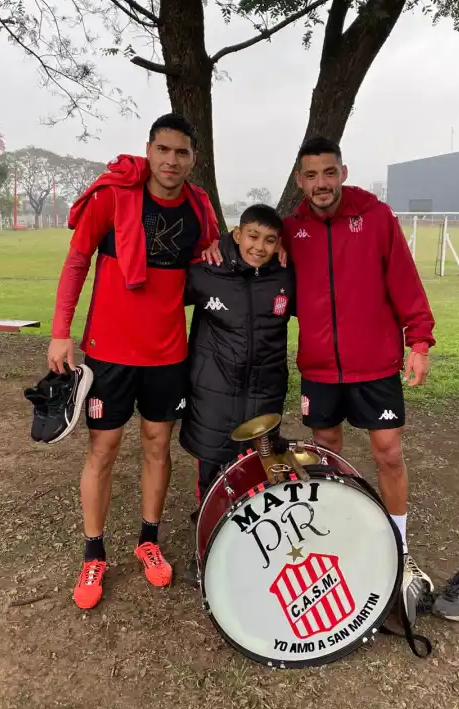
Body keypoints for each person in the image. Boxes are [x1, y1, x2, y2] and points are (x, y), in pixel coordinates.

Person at [47, 113, 218, 610]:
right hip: (109, 354)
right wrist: (61, 332)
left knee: (157, 449)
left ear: (192, 158)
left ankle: (149, 539)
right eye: (162, 150)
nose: (171, 160)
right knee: (102, 452)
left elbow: (206, 264)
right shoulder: (113, 196)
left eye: (181, 152)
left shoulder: (199, 208)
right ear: (148, 149)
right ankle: (93, 552)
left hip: (167, 355)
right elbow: (77, 262)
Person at [282, 136, 436, 621]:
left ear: (343, 172)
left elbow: (405, 283)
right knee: (326, 454)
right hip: (320, 369)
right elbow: (258, 264)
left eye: (329, 173)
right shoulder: (292, 230)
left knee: (388, 453)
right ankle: (340, 533)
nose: (320, 184)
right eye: (311, 175)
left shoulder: (376, 218)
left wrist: (420, 342)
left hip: (375, 368)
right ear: (300, 180)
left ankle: (400, 547)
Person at [181, 204, 296, 501]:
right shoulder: (207, 271)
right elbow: (159, 302)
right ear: (237, 234)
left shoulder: (286, 276)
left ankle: (246, 542)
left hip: (265, 394)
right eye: (252, 236)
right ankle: (206, 542)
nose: (259, 247)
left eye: (269, 240)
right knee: (212, 480)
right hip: (213, 395)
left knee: (256, 476)